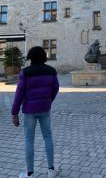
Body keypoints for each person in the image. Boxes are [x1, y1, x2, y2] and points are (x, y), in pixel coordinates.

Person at [11, 46, 59, 178]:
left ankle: (30, 173)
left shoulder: (25, 73)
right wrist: (49, 101)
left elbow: (19, 94)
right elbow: (55, 88)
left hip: (29, 111)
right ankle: (51, 171)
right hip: (45, 109)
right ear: (44, 56)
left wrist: (14, 113)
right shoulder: (51, 71)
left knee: (28, 139)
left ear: (30, 58)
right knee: (48, 136)